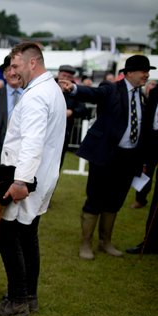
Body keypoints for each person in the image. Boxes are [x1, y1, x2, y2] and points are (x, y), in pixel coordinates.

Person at [0, 42, 66, 316]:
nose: (11, 70)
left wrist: (21, 181)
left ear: (32, 63)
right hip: (40, 176)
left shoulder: (36, 96)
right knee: (28, 236)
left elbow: (32, 143)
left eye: (15, 65)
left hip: (27, 178)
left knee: (9, 236)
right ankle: (29, 295)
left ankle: (18, 300)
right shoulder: (49, 89)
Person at [58, 55, 155, 260]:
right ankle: (86, 242)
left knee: (115, 201)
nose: (147, 75)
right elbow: (94, 93)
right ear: (128, 73)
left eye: (148, 71)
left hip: (129, 158)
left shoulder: (143, 96)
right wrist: (73, 88)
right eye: (143, 71)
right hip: (106, 155)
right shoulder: (112, 89)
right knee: (95, 199)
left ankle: (105, 242)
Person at [127, 74, 158, 255]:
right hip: (152, 143)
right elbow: (146, 121)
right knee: (145, 176)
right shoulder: (154, 93)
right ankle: (150, 241)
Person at [57, 65, 88, 171]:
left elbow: (83, 109)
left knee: (57, 163)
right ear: (58, 74)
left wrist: (72, 111)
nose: (65, 78)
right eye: (63, 75)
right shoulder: (50, 87)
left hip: (64, 132)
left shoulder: (74, 91)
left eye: (68, 76)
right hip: (45, 130)